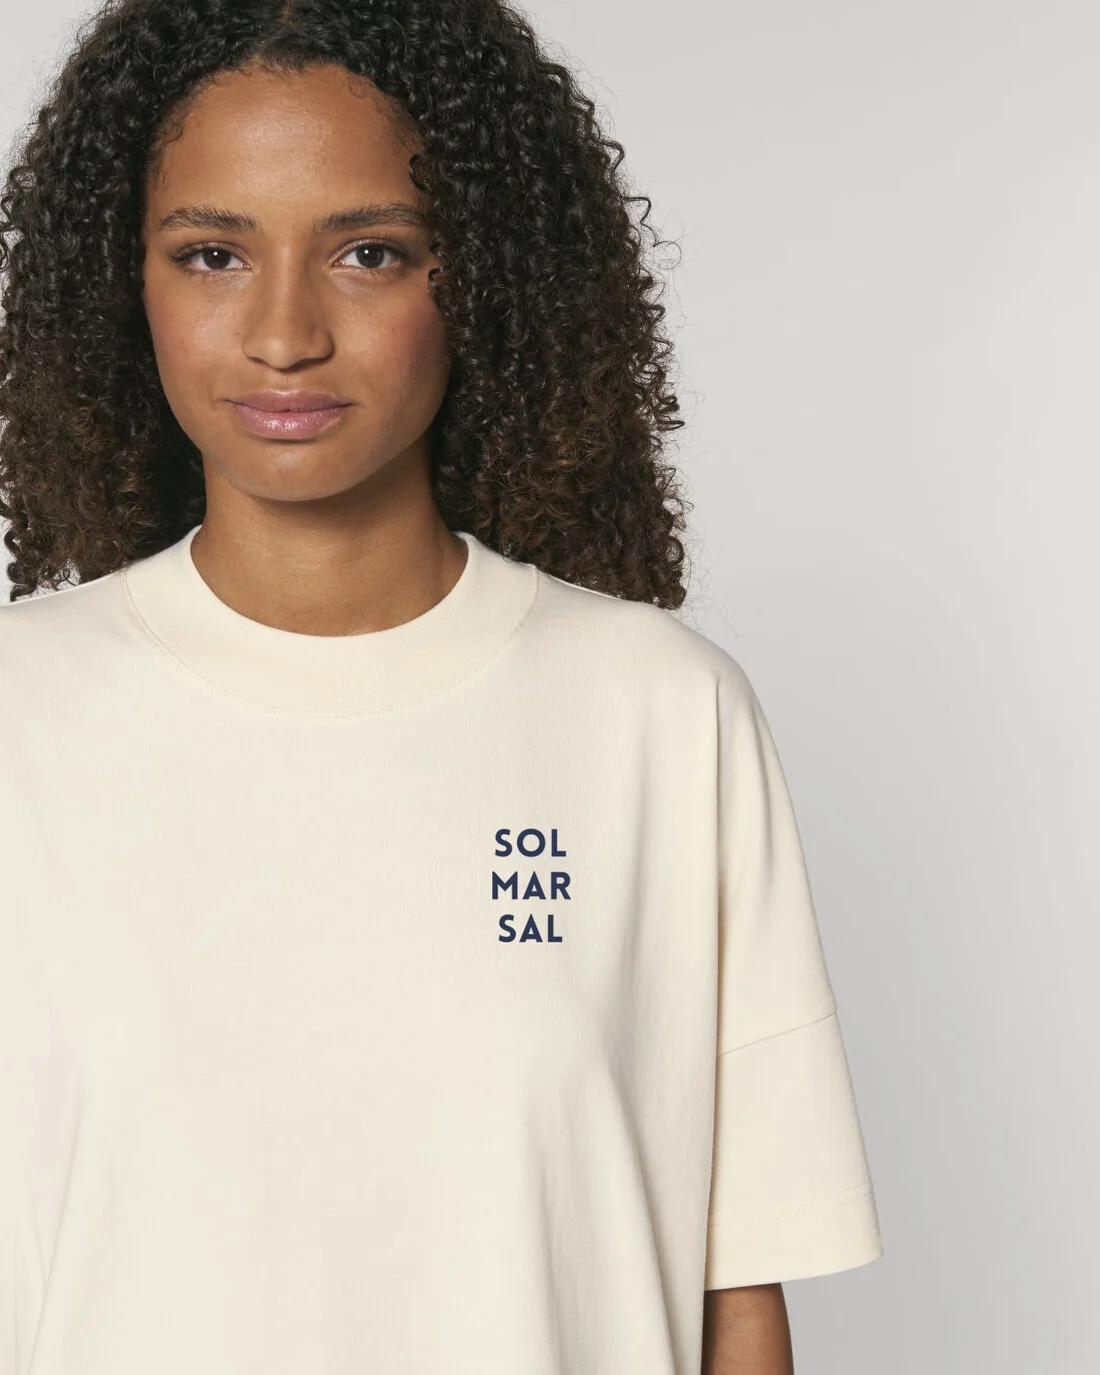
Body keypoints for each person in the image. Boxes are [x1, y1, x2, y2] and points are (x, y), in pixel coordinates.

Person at [0, 2, 884, 1372]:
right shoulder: (22, 713)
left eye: (369, 252)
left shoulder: (661, 714)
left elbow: (737, 1298)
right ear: (128, 286)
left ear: (481, 278)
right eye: (212, 253)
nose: (284, 332)